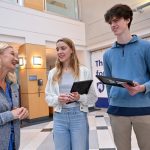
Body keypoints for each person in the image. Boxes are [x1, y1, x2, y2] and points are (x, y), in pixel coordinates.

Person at [103, 4, 150, 150]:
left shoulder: (146, 47)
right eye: (110, 22)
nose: (113, 25)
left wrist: (142, 88)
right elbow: (108, 83)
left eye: (116, 20)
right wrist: (111, 100)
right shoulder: (108, 54)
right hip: (117, 110)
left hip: (143, 109)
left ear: (128, 19)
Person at [45, 38, 96, 150]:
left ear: (72, 49)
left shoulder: (84, 71)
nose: (59, 52)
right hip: (59, 117)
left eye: (63, 48)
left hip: (78, 116)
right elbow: (48, 97)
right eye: (57, 49)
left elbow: (93, 98)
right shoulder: (53, 73)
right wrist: (58, 99)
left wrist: (79, 97)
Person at [0, 42, 29, 150]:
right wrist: (11, 114)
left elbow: (13, 110)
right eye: (12, 54)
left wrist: (22, 112)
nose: (16, 59)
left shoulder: (12, 84)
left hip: (12, 143)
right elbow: (11, 113)